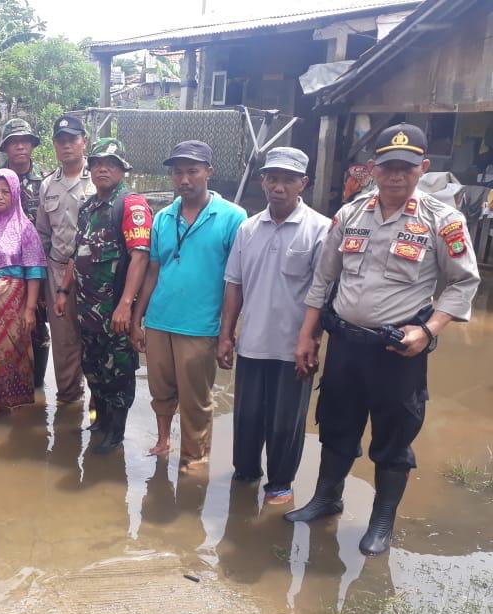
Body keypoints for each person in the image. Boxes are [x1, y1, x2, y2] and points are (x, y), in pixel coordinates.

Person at [287, 124, 480, 556]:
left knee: (393, 439)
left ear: (422, 169)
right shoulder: (350, 215)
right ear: (373, 169)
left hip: (398, 351)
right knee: (335, 426)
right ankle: (325, 498)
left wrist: (428, 331)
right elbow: (323, 280)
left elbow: (463, 284)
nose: (395, 176)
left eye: (406, 168)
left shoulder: (443, 220)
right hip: (345, 347)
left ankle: (381, 520)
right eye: (388, 167)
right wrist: (307, 336)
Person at [217, 148, 330, 505]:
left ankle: (280, 483)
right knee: (247, 417)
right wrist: (226, 335)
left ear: (303, 184)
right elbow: (234, 284)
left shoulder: (320, 230)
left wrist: (311, 340)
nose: (278, 187)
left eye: (288, 179)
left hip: (293, 348)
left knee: (286, 423)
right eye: (272, 178)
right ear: (262, 180)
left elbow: (324, 291)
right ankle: (245, 472)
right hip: (251, 342)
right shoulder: (248, 228)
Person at [132, 141, 246, 469]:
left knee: (196, 400)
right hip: (159, 320)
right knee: (160, 390)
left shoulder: (233, 217)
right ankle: (164, 440)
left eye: (192, 171)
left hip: (200, 326)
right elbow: (153, 270)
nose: (184, 179)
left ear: (209, 172)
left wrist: (227, 333)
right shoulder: (163, 218)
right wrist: (139, 318)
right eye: (178, 172)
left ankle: (194, 459)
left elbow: (234, 282)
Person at [55, 138, 151, 453]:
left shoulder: (131, 205)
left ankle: (116, 433)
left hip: (115, 313)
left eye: (110, 164)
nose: (102, 169)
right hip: (87, 311)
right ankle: (100, 421)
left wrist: (125, 306)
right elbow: (75, 254)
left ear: (123, 169)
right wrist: (63, 290)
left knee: (118, 372)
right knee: (93, 367)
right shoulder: (89, 208)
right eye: (96, 163)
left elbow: (140, 256)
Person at [0, 119, 51, 388]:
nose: (20, 146)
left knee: (37, 326)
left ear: (32, 145)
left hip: (37, 267)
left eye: (25, 141)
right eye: (13, 142)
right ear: (5, 147)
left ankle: (36, 386)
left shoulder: (46, 180)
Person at [0, 169, 47, 414]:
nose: (0, 196)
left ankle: (17, 409)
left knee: (14, 354)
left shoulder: (25, 227)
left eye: (6, 191)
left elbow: (34, 270)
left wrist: (30, 309)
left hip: (14, 306)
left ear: (15, 194)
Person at [37, 115, 96, 406]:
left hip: (94, 276)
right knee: (63, 343)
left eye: (73, 139)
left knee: (96, 340)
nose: (67, 146)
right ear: (54, 146)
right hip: (58, 272)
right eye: (61, 141)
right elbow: (43, 234)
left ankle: (99, 408)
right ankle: (69, 402)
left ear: (84, 140)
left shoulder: (98, 178)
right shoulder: (48, 185)